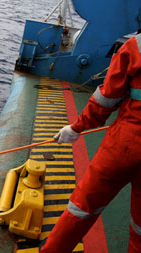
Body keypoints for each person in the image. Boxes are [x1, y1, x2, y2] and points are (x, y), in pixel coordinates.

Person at [41, 34, 141, 252]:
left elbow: (106, 100)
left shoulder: (136, 46)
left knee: (81, 208)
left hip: (125, 145)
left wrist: (76, 127)